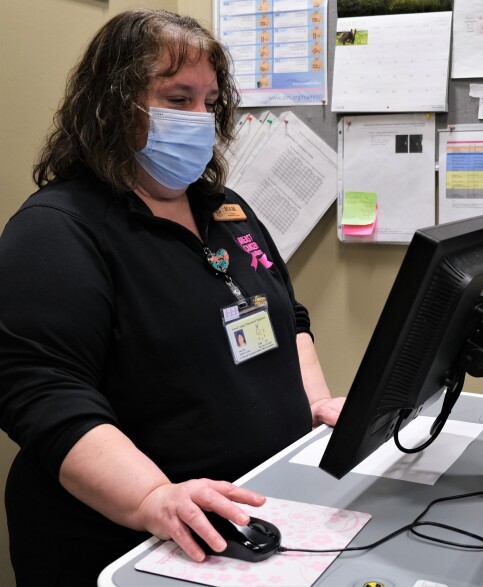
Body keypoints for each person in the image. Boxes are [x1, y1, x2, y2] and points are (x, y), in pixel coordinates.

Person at [0, 9, 344, 585]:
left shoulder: (225, 207)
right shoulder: (58, 229)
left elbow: (288, 318)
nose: (199, 119)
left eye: (209, 102)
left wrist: (313, 405)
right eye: (177, 99)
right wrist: (154, 497)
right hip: (128, 544)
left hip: (249, 519)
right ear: (111, 107)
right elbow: (45, 394)